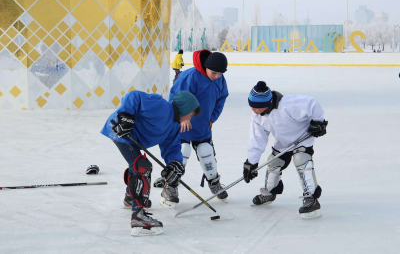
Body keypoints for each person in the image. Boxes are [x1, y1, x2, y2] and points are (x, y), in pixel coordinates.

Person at [100, 90, 200, 236]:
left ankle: (130, 197)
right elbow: (133, 96)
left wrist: (175, 164)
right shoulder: (160, 106)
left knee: (136, 165)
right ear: (184, 107)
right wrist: (126, 115)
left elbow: (171, 148)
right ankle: (138, 217)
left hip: (134, 139)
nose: (190, 117)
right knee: (142, 167)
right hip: (120, 130)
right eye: (190, 114)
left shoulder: (173, 126)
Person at [154, 50, 229, 207]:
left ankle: (214, 182)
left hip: (202, 126)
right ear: (206, 67)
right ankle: (170, 187)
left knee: (206, 152)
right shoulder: (189, 77)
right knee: (182, 153)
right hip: (183, 125)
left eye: (220, 74)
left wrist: (212, 117)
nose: (216, 76)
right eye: (214, 73)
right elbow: (175, 98)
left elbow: (222, 98)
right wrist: (179, 118)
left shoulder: (220, 80)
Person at [242, 81, 328, 219]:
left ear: (267, 103)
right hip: (283, 143)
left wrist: (319, 122)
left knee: (301, 160)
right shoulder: (257, 117)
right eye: (251, 105)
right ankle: (269, 193)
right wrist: (251, 162)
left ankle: (311, 199)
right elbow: (257, 140)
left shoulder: (288, 104)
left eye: (256, 106)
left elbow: (312, 103)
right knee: (273, 162)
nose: (253, 109)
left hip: (302, 138)